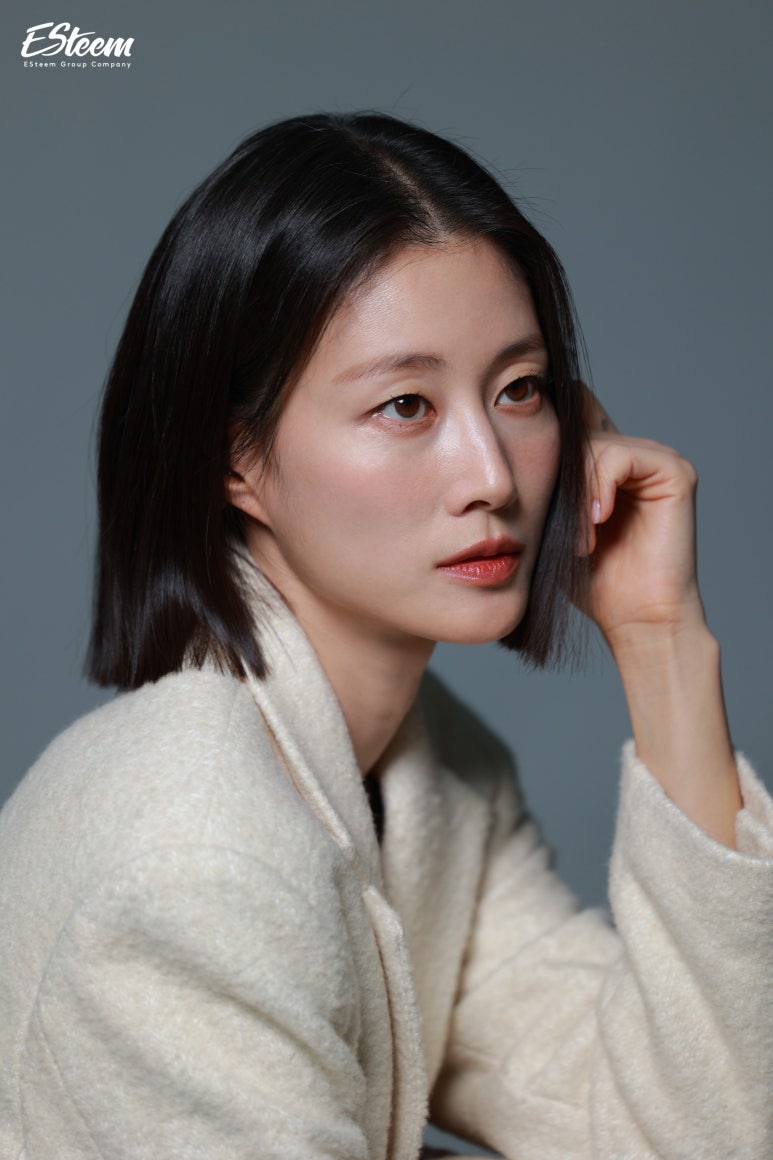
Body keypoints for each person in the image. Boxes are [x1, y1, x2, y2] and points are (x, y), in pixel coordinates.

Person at [1, 112, 771, 1160]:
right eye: (405, 404)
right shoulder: (188, 855)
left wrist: (657, 636)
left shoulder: (433, 777)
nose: (492, 476)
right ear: (235, 461)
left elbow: (690, 1132)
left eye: (519, 390)